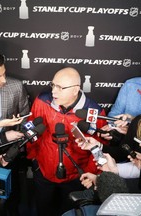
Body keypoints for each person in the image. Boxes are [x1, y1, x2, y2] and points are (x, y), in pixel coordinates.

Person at [26, 67, 107, 216]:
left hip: (75, 177)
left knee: (68, 212)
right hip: (43, 172)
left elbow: (99, 150)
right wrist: (34, 160)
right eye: (53, 85)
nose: (53, 92)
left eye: (60, 88)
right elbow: (32, 131)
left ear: (75, 90)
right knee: (43, 210)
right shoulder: (42, 101)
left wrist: (89, 174)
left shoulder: (94, 112)